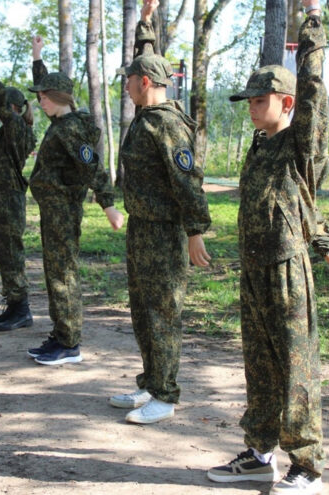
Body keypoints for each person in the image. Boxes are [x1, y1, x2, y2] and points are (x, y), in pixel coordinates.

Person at [206, 3, 329, 493]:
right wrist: (326, 245)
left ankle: (307, 466)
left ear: (286, 102)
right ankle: (260, 453)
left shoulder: (301, 143)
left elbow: (316, 91)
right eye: (251, 102)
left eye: (262, 101)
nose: (254, 108)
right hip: (254, 271)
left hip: (285, 270)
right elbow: (299, 205)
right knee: (258, 365)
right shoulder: (260, 146)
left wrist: (313, 22)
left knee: (295, 368)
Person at [107, 0, 212, 424]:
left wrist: (195, 230)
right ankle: (151, 381)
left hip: (165, 231)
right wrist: (146, 24)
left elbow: (188, 181)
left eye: (129, 80)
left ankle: (165, 395)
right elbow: (146, 60)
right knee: (142, 309)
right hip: (141, 228)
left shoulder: (167, 123)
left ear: (145, 82)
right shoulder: (147, 114)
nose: (126, 85)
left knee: (162, 311)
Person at [25, 35, 125, 366]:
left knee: (62, 273)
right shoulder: (61, 123)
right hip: (52, 211)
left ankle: (69, 343)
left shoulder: (69, 128)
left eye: (43, 98)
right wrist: (37, 57)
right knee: (55, 271)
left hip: (63, 213)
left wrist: (108, 204)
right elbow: (46, 83)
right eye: (38, 97)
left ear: (58, 98)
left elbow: (91, 166)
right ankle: (61, 334)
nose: (40, 102)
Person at [0, 50, 37, 331]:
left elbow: (0, 97)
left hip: (11, 201)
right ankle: (13, 306)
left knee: (12, 253)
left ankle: (21, 309)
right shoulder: (7, 130)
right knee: (4, 253)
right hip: (1, 200)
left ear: (12, 107)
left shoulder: (18, 128)